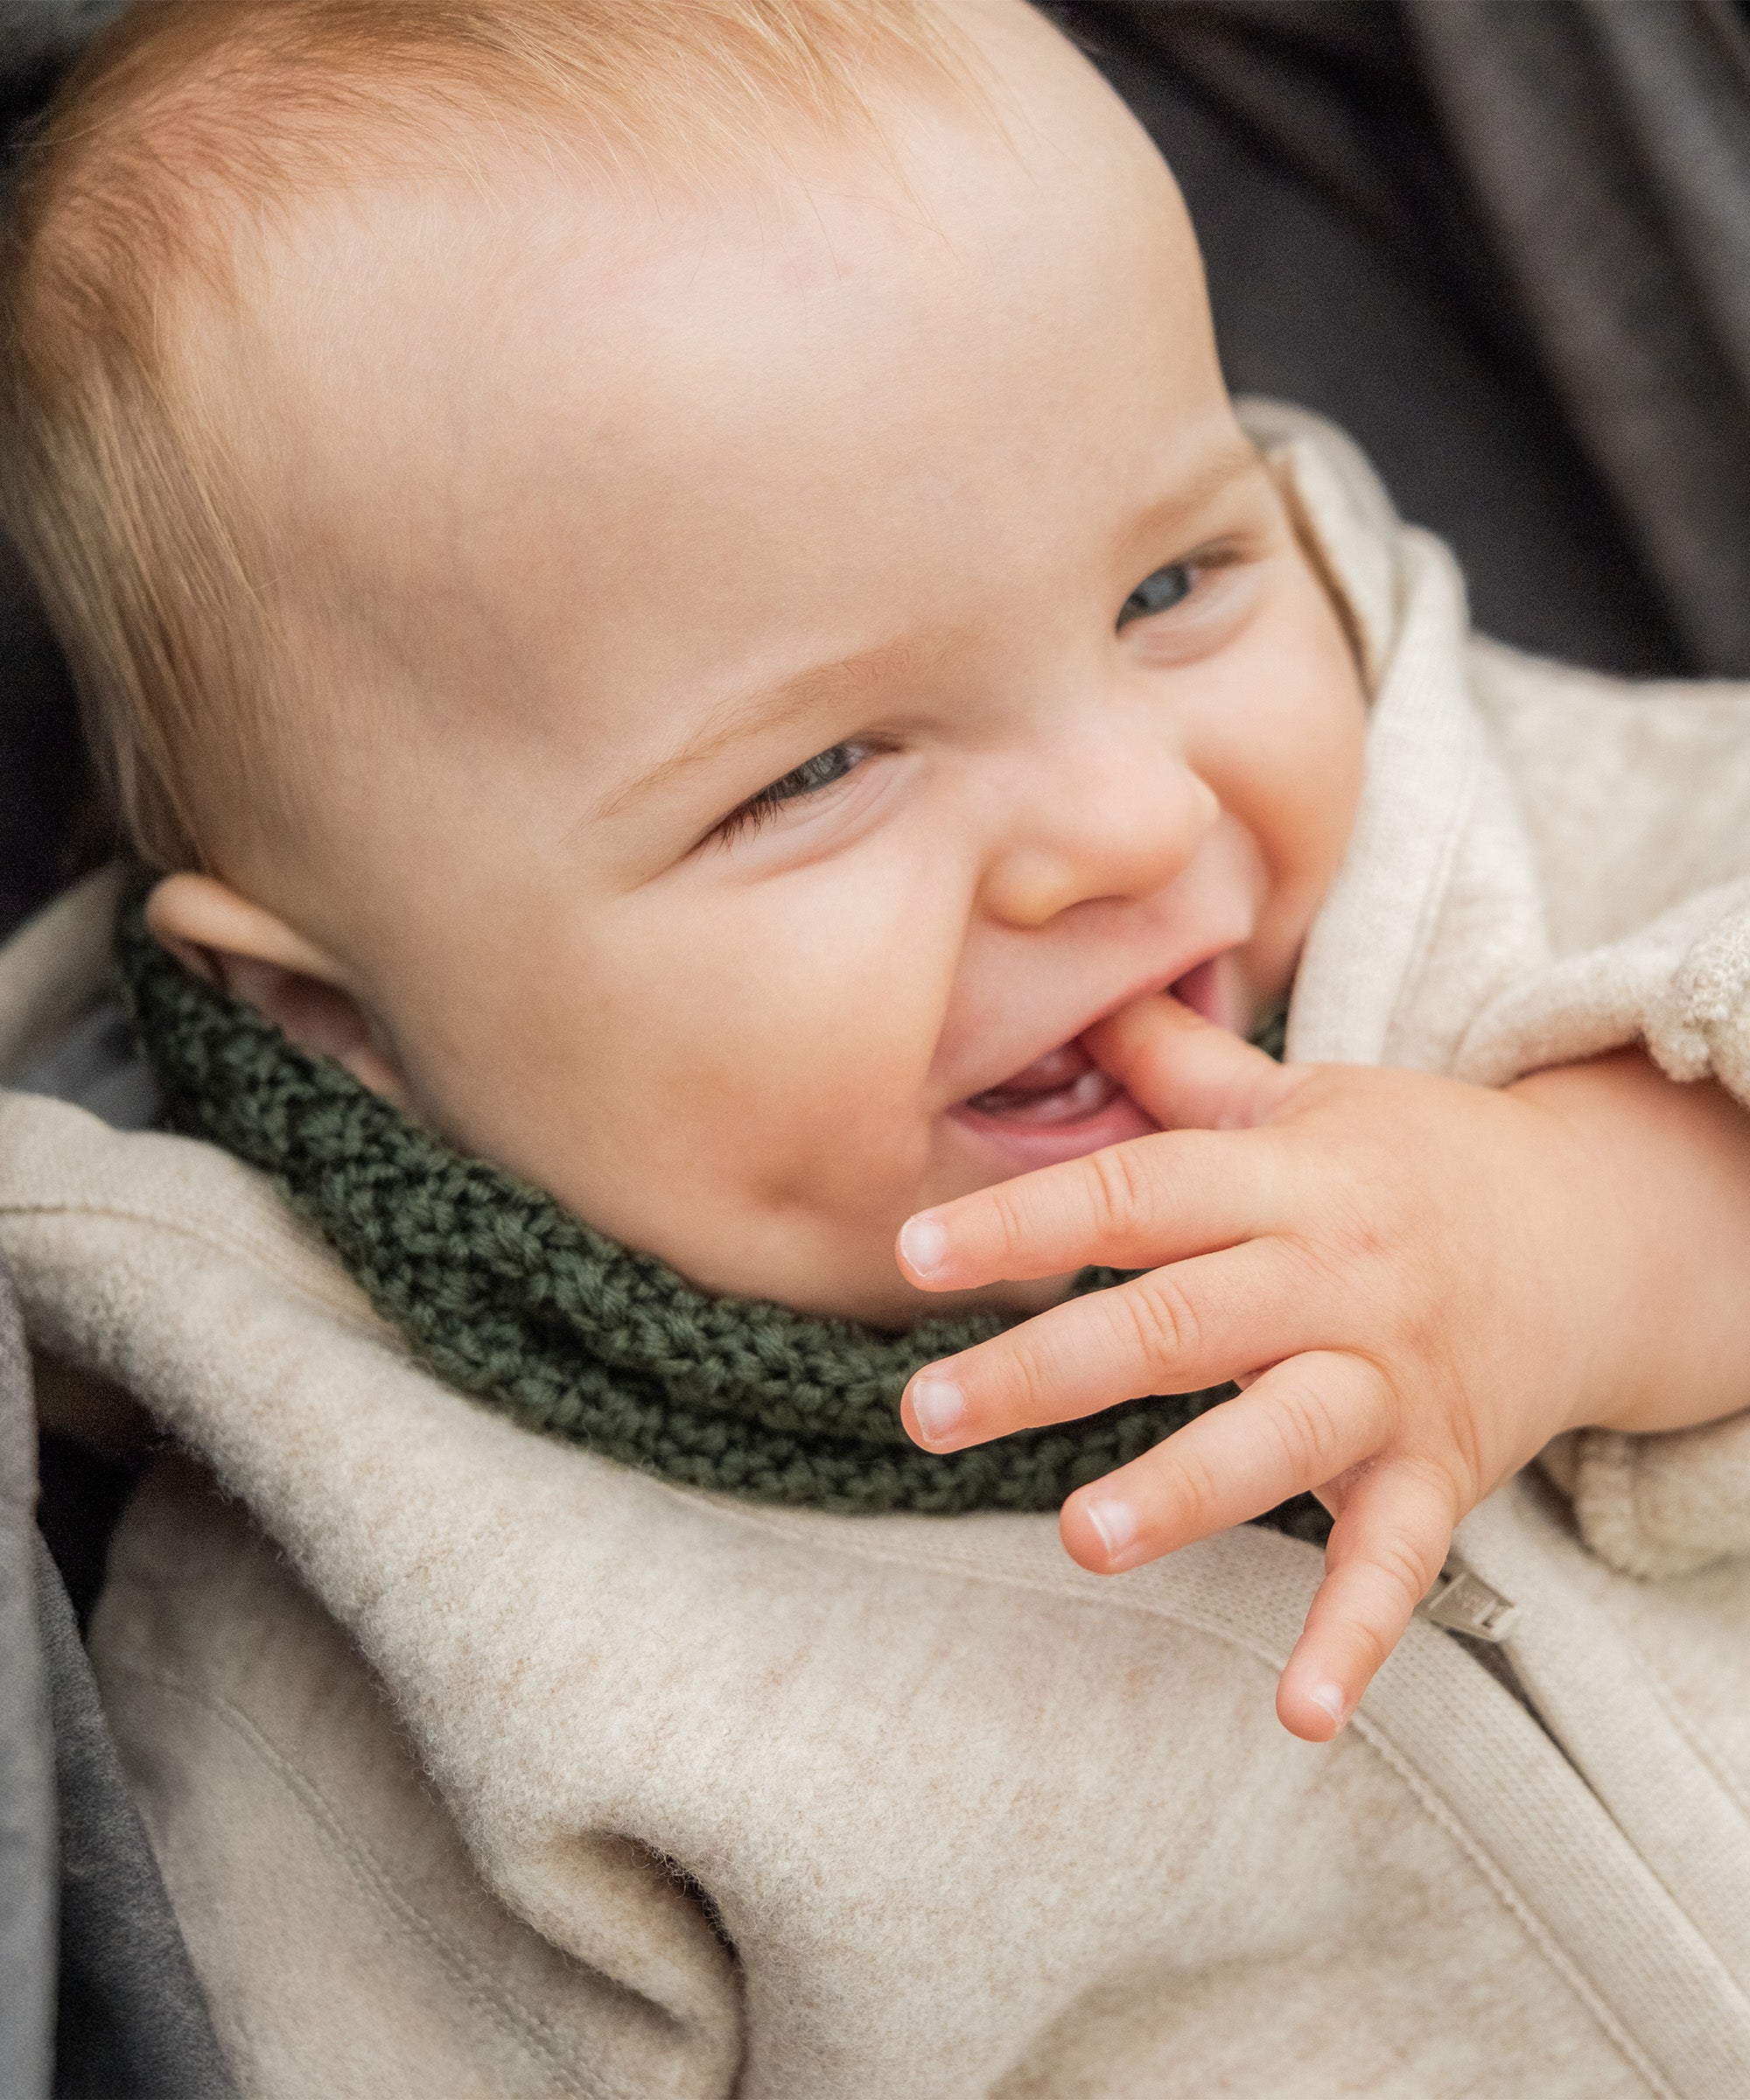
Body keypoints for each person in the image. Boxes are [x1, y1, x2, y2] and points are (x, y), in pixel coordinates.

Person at [4, 0, 1750, 2091]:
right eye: (820, 766)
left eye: (1173, 584)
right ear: (333, 1012)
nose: (1130, 819)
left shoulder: (1492, 847)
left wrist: (1589, 1226)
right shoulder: (408, 1659)